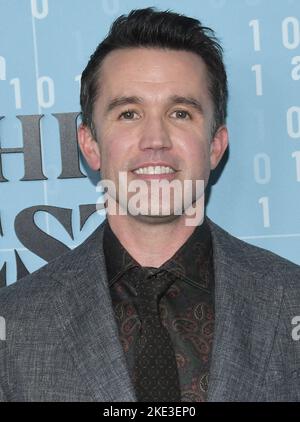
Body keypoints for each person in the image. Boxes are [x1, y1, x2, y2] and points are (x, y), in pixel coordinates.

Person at [0, 7, 300, 403]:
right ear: (90, 144)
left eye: (180, 113)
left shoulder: (290, 298)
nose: (155, 139)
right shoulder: (16, 323)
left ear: (215, 146)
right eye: (129, 113)